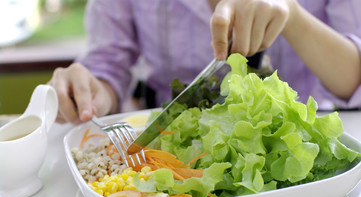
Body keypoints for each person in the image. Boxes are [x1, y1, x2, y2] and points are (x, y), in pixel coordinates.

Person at [48, 0, 361, 124]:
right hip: (170, 140)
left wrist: (292, 15)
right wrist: (91, 91)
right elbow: (107, 64)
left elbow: (353, 79)